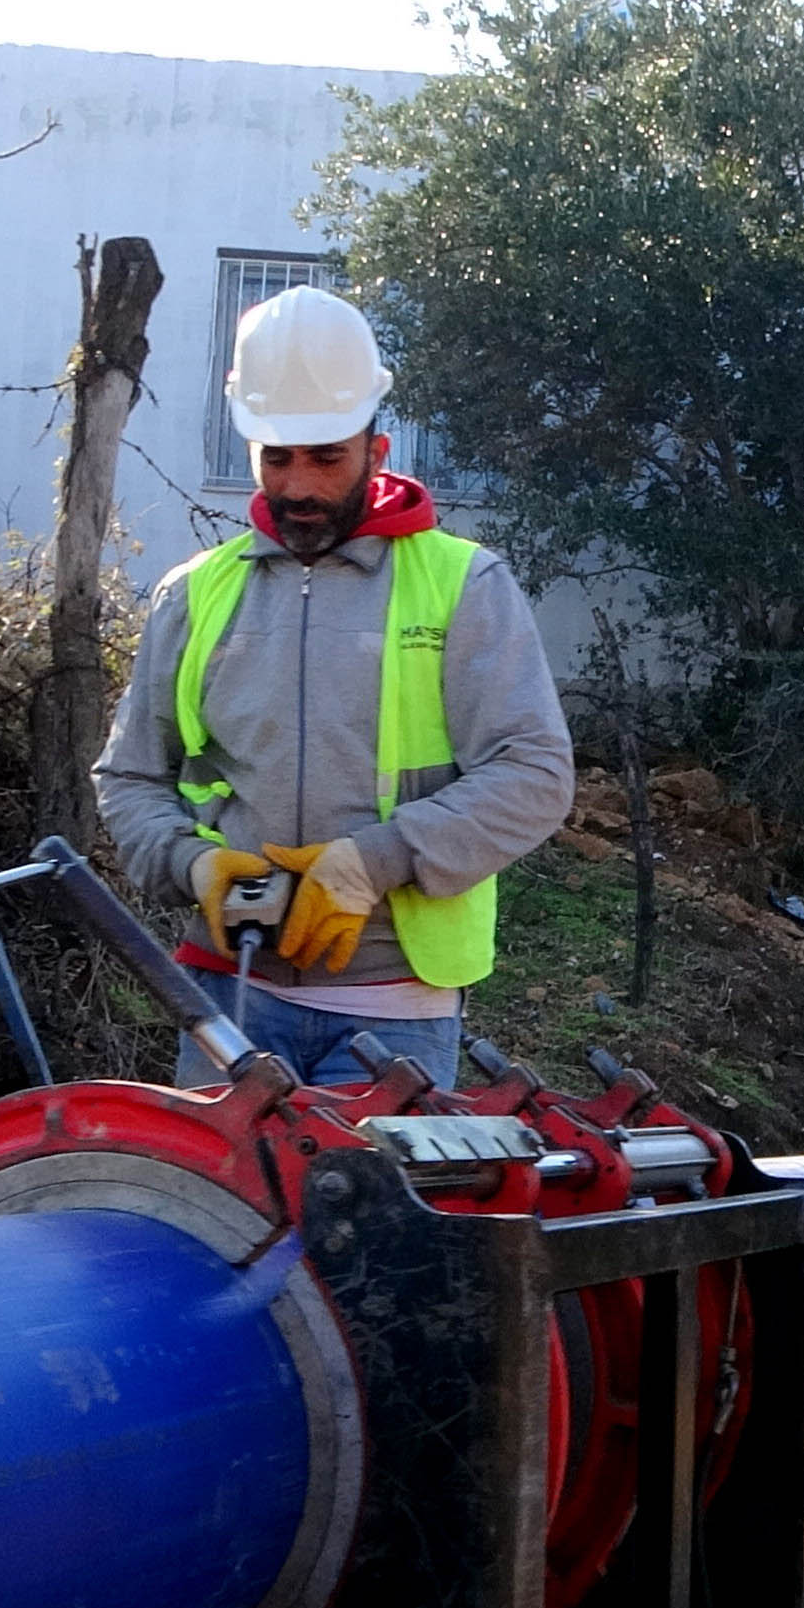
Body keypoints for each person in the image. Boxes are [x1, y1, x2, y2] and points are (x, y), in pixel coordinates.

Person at [96, 285, 574, 1088]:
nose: (301, 487)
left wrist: (376, 860)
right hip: (229, 996)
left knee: (371, 1215)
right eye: (277, 459)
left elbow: (535, 775)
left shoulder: (465, 586)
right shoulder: (194, 596)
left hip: (397, 1011)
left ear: (376, 451)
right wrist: (191, 865)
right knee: (226, 1215)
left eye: (327, 457)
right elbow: (129, 778)